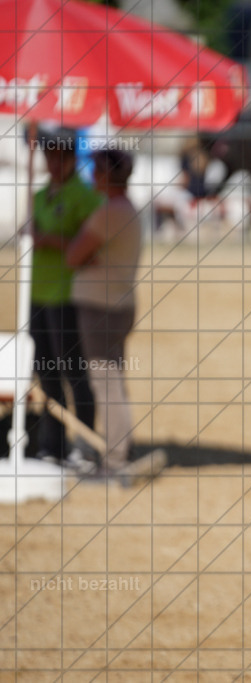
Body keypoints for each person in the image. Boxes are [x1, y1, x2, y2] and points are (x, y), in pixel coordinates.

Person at [65, 149, 156, 480]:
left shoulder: (108, 212)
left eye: (97, 170)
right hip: (119, 304)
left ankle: (115, 458)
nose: (93, 176)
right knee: (113, 380)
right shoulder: (126, 209)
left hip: (101, 306)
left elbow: (74, 255)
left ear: (106, 175)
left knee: (106, 383)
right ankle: (121, 449)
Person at [26, 125, 101, 464]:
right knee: (45, 372)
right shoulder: (41, 195)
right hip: (38, 292)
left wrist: (52, 241)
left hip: (67, 296)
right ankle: (51, 443)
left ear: (71, 158)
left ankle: (84, 444)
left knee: (74, 372)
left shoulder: (85, 197)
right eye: (49, 156)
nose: (53, 163)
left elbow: (92, 250)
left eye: (60, 156)